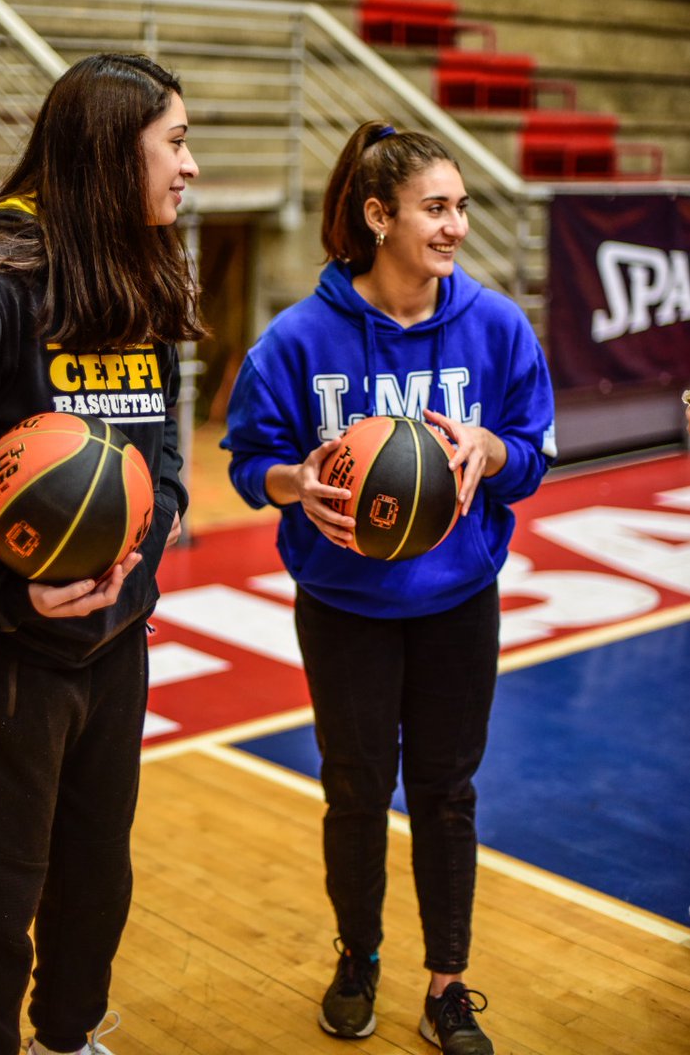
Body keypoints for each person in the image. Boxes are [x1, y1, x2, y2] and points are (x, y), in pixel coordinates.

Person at [0, 53, 202, 1055]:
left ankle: (67, 1038)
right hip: (0, 654)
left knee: (95, 876)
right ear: (115, 153)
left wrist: (132, 572)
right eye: (177, 142)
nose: (191, 167)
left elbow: (162, 457)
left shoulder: (139, 269)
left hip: (117, 644)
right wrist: (9, 596)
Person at [223, 121, 556, 1054]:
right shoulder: (296, 339)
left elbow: (531, 454)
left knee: (447, 792)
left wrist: (489, 449)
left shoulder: (494, 328)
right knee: (357, 790)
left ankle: (447, 985)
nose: (454, 226)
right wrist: (298, 483)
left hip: (458, 603)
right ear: (378, 217)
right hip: (344, 608)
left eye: (460, 207)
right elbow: (250, 461)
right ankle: (358, 958)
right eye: (435, 208)